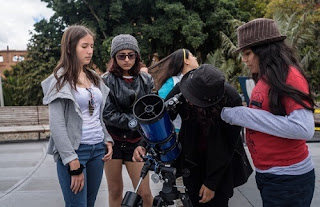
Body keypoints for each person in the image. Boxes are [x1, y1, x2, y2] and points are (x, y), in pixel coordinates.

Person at [220, 18, 316, 207]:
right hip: (270, 175)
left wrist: (242, 115)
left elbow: (304, 128)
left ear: (265, 51)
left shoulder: (290, 76)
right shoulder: (267, 77)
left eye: (247, 53)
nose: (244, 60)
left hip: (289, 180)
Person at [134, 64, 253, 207]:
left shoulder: (231, 98)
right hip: (191, 157)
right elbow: (162, 117)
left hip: (219, 160)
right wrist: (144, 144)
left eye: (193, 99)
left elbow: (228, 145)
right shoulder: (186, 86)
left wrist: (212, 183)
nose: (188, 99)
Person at [41, 25, 113, 207]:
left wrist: (107, 139)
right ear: (69, 48)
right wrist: (73, 162)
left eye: (92, 46)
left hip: (97, 150)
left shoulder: (94, 77)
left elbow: (97, 114)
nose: (90, 51)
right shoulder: (59, 81)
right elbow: (57, 126)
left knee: (89, 203)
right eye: (84, 46)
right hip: (75, 151)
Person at [102, 34, 154, 207]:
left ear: (136, 56)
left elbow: (151, 112)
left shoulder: (146, 79)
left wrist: (143, 142)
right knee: (115, 191)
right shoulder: (105, 80)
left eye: (130, 55)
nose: (126, 59)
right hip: (113, 142)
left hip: (137, 143)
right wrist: (135, 122)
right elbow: (107, 114)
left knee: (145, 194)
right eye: (121, 55)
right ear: (114, 58)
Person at [149, 48, 199, 133]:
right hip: (176, 131)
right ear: (186, 60)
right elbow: (161, 107)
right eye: (192, 56)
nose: (195, 58)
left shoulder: (197, 80)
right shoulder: (172, 82)